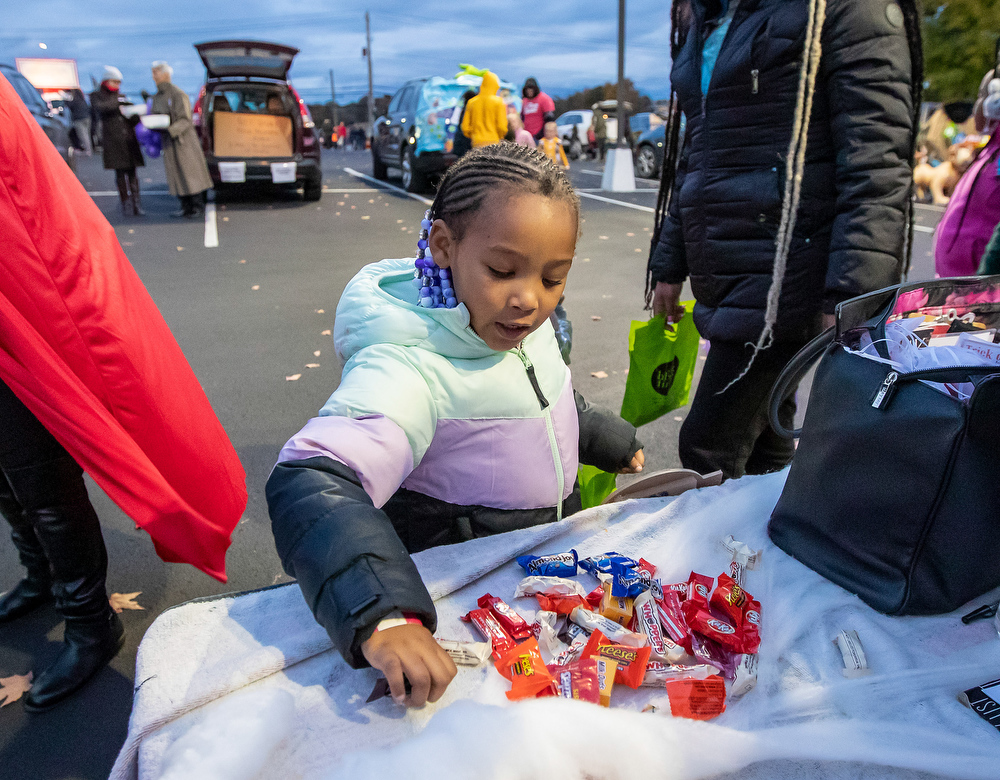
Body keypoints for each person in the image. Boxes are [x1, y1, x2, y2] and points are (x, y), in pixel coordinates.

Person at [266, 143, 644, 708]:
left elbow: (544, 400)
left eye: (553, 278)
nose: (529, 300)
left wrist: (604, 438)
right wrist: (385, 615)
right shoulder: (408, 364)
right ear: (444, 246)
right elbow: (315, 478)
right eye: (502, 270)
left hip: (529, 579)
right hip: (458, 599)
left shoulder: (519, 326)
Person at [0, 72, 247, 711]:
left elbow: (32, 207)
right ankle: (40, 577)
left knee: (38, 474)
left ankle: (88, 620)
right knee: (4, 473)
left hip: (21, 306)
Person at [646, 0, 922, 480]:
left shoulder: (847, 9)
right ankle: (762, 551)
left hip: (790, 279)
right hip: (730, 271)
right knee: (765, 446)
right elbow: (698, 152)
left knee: (709, 447)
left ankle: (721, 556)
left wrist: (852, 300)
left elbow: (875, 168)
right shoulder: (711, 13)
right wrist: (668, 264)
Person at [150, 61, 214, 218]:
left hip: (183, 141)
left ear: (166, 74)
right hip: (169, 140)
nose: (153, 76)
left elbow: (185, 119)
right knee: (176, 174)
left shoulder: (178, 94)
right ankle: (185, 206)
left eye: (156, 72)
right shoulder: (158, 96)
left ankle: (197, 206)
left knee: (191, 173)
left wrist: (170, 130)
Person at [90, 66, 145, 216]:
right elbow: (100, 108)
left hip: (128, 139)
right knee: (120, 174)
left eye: (119, 82)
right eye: (115, 82)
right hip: (113, 141)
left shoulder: (122, 97)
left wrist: (135, 115)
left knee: (133, 174)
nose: (117, 86)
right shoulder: (97, 96)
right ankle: (126, 204)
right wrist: (119, 104)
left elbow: (132, 119)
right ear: (106, 81)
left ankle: (136, 204)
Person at [461, 71, 508, 149]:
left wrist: (473, 135)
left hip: (476, 142)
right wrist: (499, 136)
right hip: (494, 141)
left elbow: (465, 127)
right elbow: (502, 127)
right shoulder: (498, 102)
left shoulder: (471, 102)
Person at [521, 77, 555, 142]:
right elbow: (522, 117)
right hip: (527, 135)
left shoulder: (544, 99)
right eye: (527, 90)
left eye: (531, 90)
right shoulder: (524, 101)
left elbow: (549, 118)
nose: (529, 92)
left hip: (540, 135)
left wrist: (542, 133)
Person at [66, 89, 92, 155]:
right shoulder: (83, 100)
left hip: (79, 119)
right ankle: (89, 149)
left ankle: (87, 150)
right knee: (86, 134)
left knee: (82, 135)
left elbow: (69, 105)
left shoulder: (75, 100)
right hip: (87, 118)